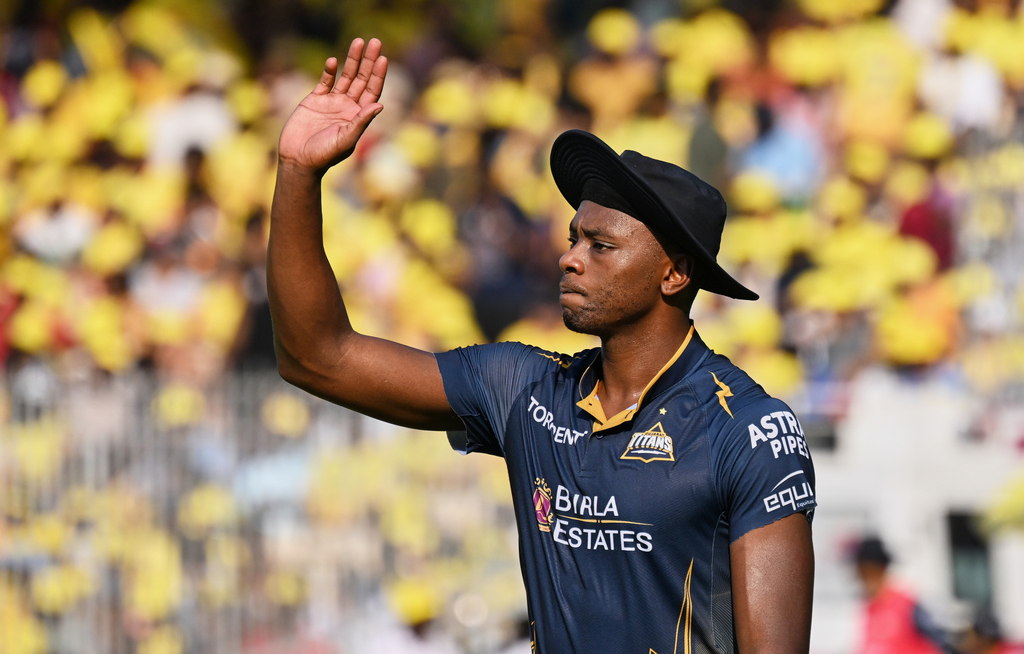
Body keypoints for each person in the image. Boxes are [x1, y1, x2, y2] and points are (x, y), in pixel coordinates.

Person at [268, 37, 816, 653]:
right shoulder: (525, 388)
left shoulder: (747, 430)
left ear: (674, 273)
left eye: (599, 246)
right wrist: (297, 172)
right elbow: (316, 357)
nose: (569, 258)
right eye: (573, 238)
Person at [852, 536, 949, 654]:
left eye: (868, 573)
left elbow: (940, 641)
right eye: (861, 574)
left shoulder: (907, 605)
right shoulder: (870, 609)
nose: (865, 580)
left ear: (881, 569)